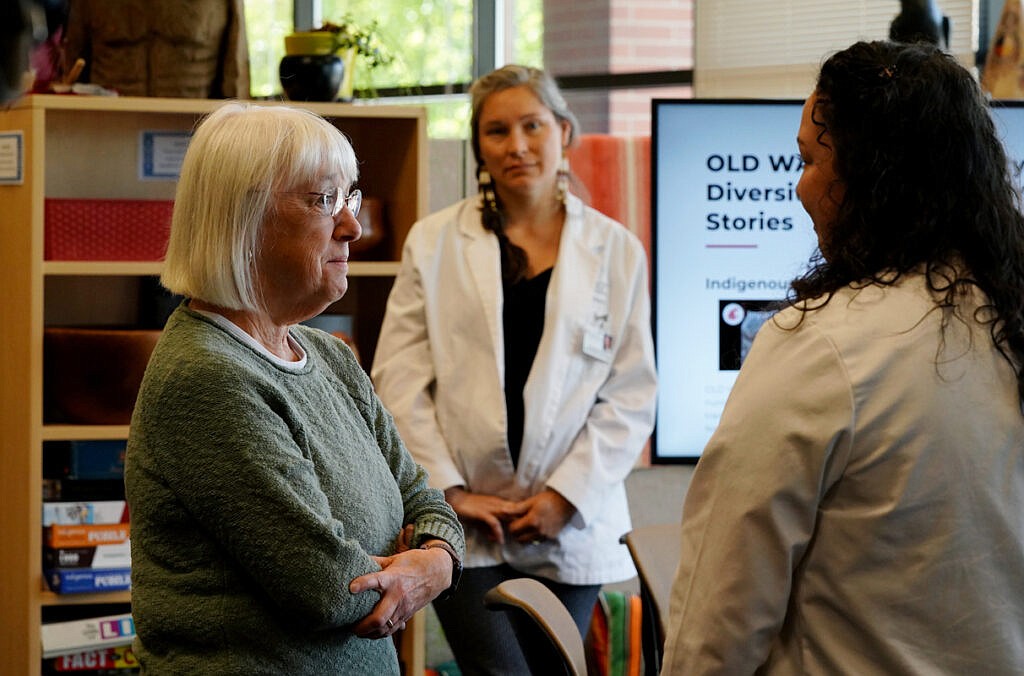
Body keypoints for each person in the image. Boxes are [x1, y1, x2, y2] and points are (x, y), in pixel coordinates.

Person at [660, 40, 1024, 674]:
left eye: (809, 160)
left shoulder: (820, 345)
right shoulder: (1011, 326)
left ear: (872, 174)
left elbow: (717, 623)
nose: (800, 189)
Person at [124, 101, 465, 675]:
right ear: (244, 217)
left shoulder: (330, 355)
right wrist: (422, 569)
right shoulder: (207, 375)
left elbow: (427, 502)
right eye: (323, 199)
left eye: (349, 197)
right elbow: (329, 588)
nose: (353, 225)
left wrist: (437, 561)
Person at [371, 64, 658, 674]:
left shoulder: (616, 251)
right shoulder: (434, 242)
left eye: (533, 126)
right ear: (479, 147)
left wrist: (564, 496)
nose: (518, 145)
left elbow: (631, 394)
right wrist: (448, 491)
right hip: (468, 524)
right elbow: (398, 379)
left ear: (564, 133)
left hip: (570, 520)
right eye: (497, 131)